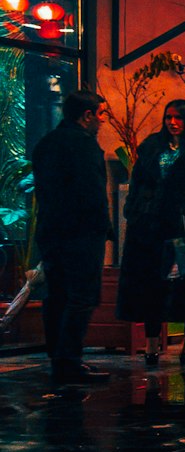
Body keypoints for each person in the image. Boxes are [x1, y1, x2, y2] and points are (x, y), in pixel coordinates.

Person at [116, 99, 185, 367]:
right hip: (147, 227)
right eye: (168, 117)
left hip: (181, 227)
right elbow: (138, 181)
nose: (172, 122)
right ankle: (152, 341)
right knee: (150, 284)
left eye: (178, 117)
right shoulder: (152, 146)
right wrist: (133, 210)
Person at [30, 89, 113, 385]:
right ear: (87, 115)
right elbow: (91, 193)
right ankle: (69, 360)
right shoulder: (84, 145)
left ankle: (59, 357)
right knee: (81, 296)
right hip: (81, 233)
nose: (102, 121)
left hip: (51, 231)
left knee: (57, 295)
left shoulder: (46, 144)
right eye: (100, 114)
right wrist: (104, 228)